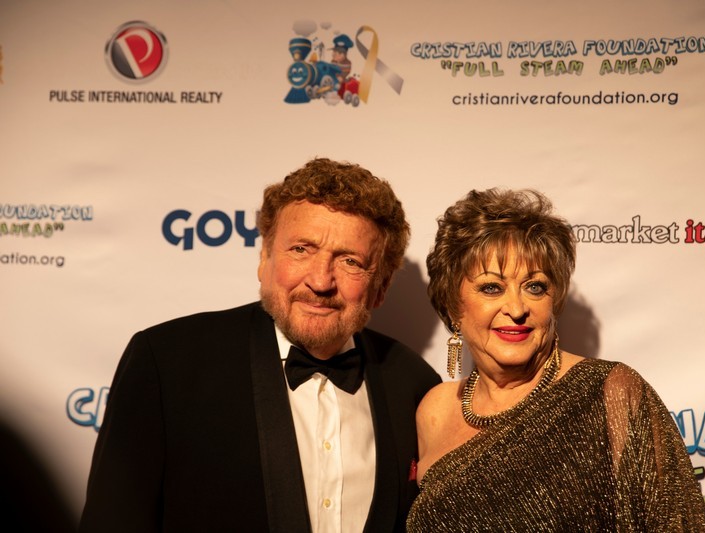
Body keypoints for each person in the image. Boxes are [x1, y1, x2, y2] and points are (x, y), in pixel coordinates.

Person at [79, 158, 441, 532]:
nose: (320, 281)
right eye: (301, 249)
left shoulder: (414, 386)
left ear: (381, 287)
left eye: (350, 261)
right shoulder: (166, 363)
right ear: (264, 258)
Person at [406, 188, 705, 531]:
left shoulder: (609, 392)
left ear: (554, 300)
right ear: (452, 305)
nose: (517, 308)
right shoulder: (435, 410)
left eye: (535, 287)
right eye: (492, 287)